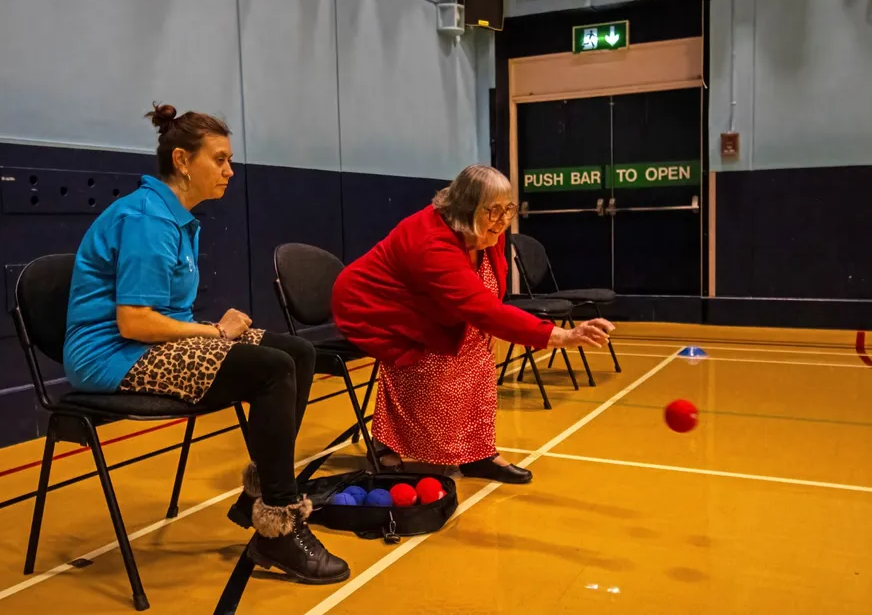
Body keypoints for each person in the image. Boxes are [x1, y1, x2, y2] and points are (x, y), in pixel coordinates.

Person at [63, 103, 349, 584]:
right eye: (219, 159)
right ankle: (279, 524)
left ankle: (258, 495)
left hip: (150, 343)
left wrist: (209, 334)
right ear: (181, 161)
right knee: (271, 369)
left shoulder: (176, 216)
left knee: (299, 353)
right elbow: (135, 323)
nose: (229, 171)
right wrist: (215, 333)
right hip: (112, 356)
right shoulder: (148, 219)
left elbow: (161, 317)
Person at [331, 164, 613, 484]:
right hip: (378, 307)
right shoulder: (429, 243)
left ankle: (478, 453)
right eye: (495, 211)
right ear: (466, 210)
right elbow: (483, 309)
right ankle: (386, 444)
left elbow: (489, 295)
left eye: (509, 208)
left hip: (430, 304)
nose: (504, 219)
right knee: (428, 361)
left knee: (477, 353)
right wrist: (561, 334)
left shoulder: (484, 226)